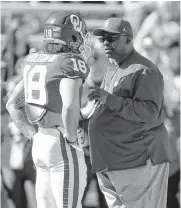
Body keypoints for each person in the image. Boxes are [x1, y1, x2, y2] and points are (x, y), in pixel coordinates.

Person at [6, 12, 91, 208]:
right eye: (78, 36)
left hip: (40, 143)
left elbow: (12, 104)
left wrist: (33, 135)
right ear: (71, 37)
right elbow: (69, 105)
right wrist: (71, 138)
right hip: (62, 142)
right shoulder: (69, 62)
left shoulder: (34, 59)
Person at [86, 17, 172, 208]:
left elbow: (149, 112)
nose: (106, 43)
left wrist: (109, 99)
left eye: (112, 38)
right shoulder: (113, 67)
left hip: (139, 158)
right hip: (116, 159)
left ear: (128, 39)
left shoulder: (144, 69)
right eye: (103, 39)